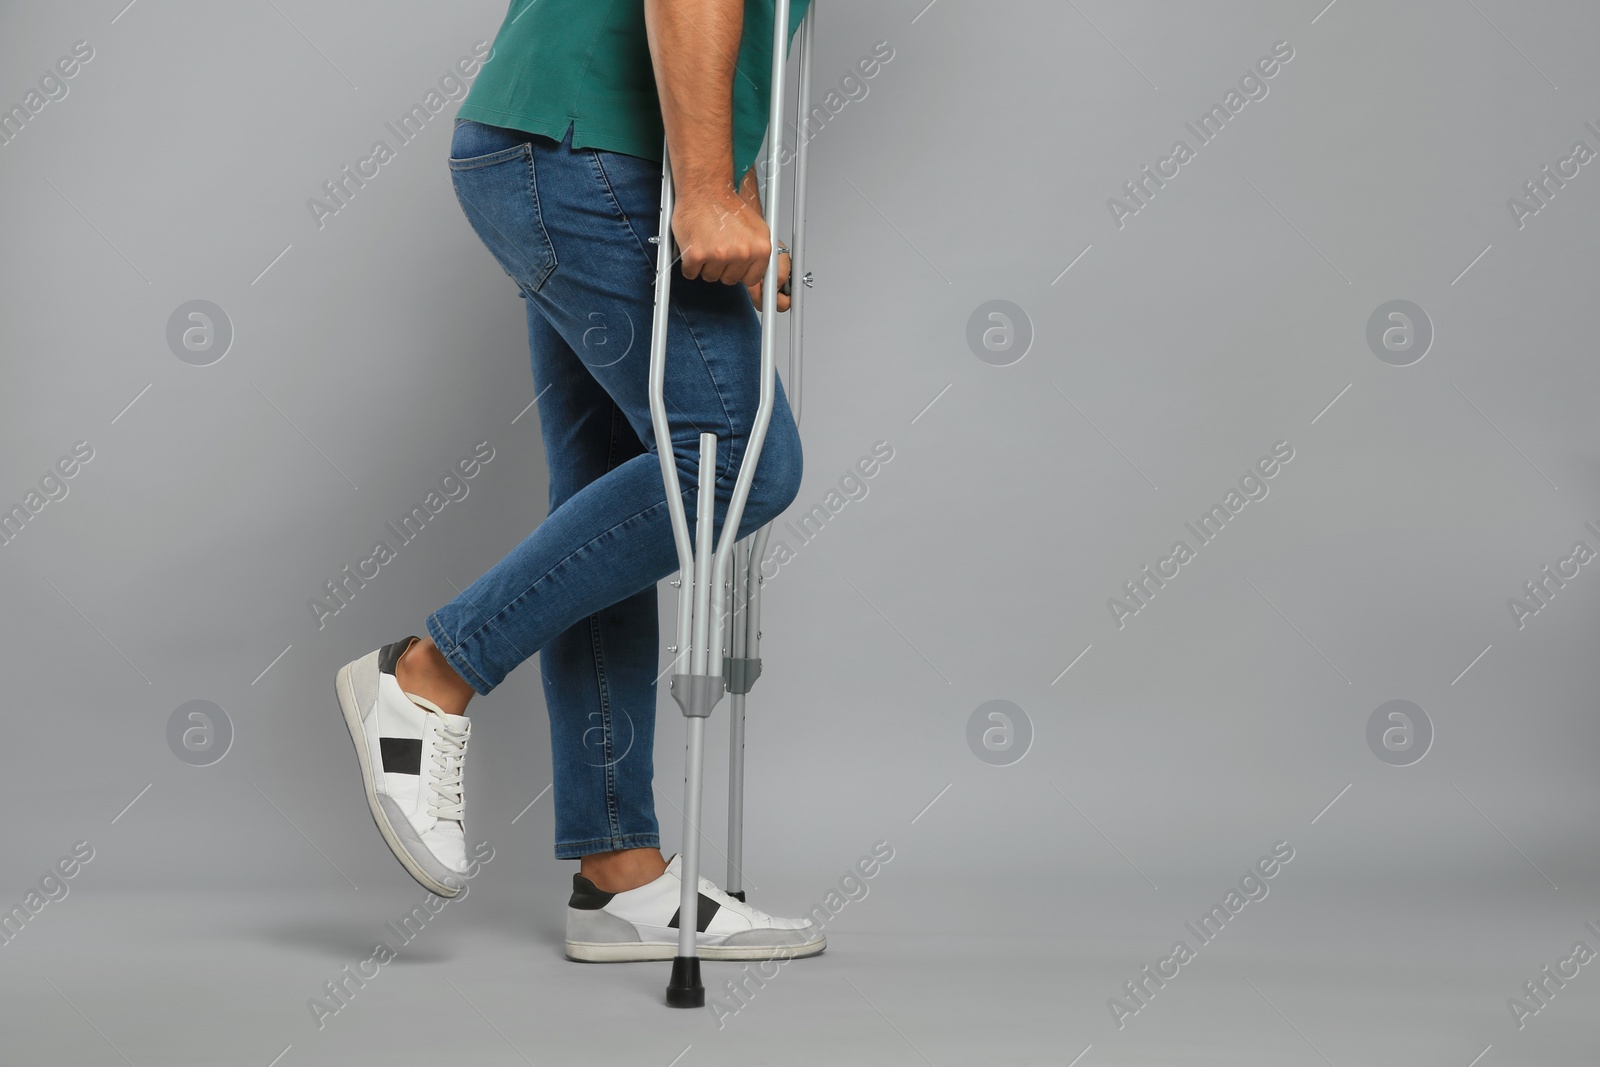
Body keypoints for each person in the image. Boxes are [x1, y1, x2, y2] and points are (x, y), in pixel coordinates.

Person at [333, 0, 824, 963]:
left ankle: (620, 873)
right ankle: (428, 674)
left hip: (559, 149)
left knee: (610, 487)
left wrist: (735, 190)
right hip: (592, 153)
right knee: (734, 458)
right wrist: (707, 191)